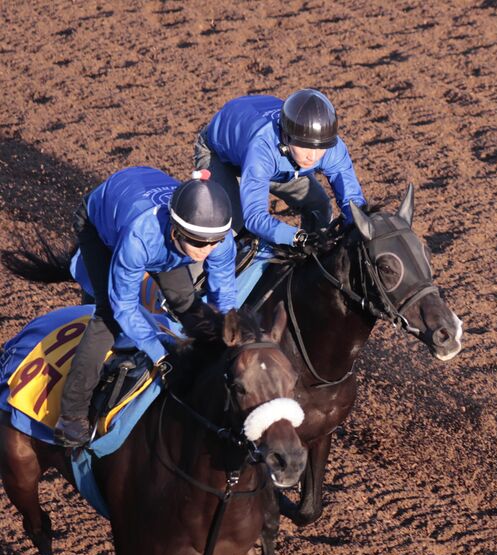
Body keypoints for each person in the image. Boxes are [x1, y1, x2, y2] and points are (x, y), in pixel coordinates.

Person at [54, 167, 237, 447]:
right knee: (107, 318)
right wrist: (159, 354)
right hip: (101, 226)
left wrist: (227, 334)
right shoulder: (140, 238)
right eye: (200, 243)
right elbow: (124, 306)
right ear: (176, 231)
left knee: (187, 302)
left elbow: (223, 294)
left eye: (216, 242)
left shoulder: (216, 238)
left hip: (159, 235)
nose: (208, 250)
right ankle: (71, 416)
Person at [193, 89, 367, 248]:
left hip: (274, 164)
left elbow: (352, 200)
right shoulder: (262, 148)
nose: (312, 157)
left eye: (320, 147)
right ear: (285, 136)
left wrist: (359, 225)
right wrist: (297, 237)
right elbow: (254, 217)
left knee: (318, 205)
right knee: (230, 227)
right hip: (220, 156)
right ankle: (198, 280)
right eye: (304, 146)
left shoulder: (331, 147)